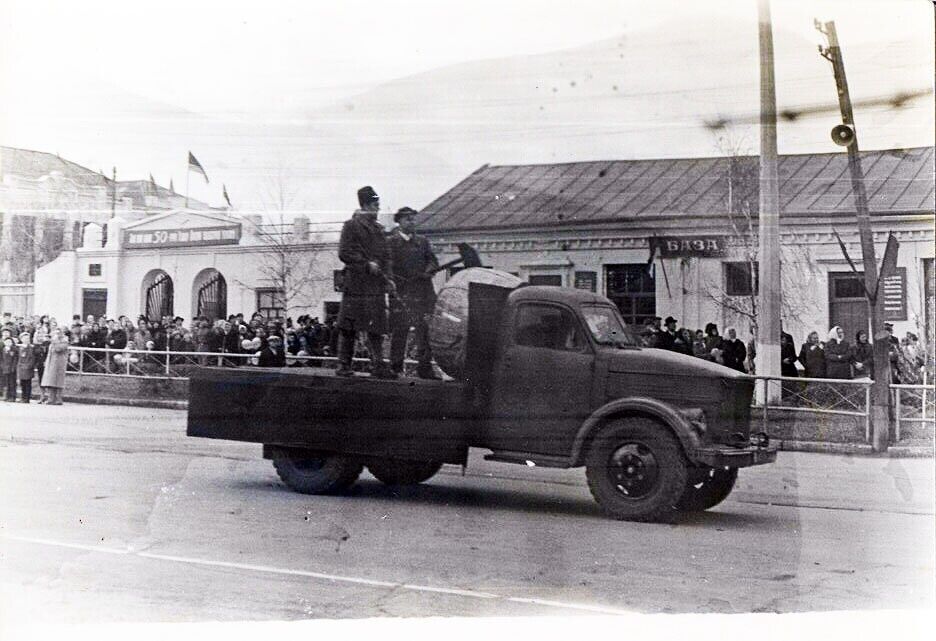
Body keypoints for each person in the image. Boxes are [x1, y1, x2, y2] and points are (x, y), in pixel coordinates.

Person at [335, 185, 397, 379]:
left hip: (376, 286)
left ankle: (378, 365)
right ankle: (344, 365)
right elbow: (344, 253)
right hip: (356, 285)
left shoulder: (379, 230)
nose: (378, 209)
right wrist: (365, 264)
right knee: (349, 327)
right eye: (375, 205)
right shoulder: (351, 226)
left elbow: (387, 257)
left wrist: (389, 279)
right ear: (367, 205)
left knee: (376, 327)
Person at [387, 206, 441, 379]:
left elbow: (433, 261)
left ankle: (424, 367)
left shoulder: (422, 241)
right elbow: (387, 267)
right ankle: (395, 367)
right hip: (402, 293)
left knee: (423, 330)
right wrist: (396, 281)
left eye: (413, 219)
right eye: (408, 219)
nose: (412, 222)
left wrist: (428, 270)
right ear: (399, 221)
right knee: (400, 329)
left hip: (423, 292)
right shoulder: (391, 243)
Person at [41, 328, 70, 405]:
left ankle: (58, 399)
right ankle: (51, 398)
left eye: (59, 333)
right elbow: (49, 352)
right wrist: (47, 361)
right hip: (51, 363)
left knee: (59, 381)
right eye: (56, 333)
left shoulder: (65, 341)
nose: (57, 334)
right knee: (50, 380)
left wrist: (54, 341)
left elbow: (58, 349)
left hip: (60, 363)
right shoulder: (53, 341)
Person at [16, 332, 37, 403]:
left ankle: (27, 398)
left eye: (27, 338)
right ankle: (23, 397)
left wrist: (28, 366)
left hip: (28, 368)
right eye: (24, 338)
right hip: (21, 368)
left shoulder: (31, 348)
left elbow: (32, 359)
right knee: (22, 383)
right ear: (21, 339)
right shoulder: (20, 348)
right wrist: (20, 366)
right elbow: (19, 358)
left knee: (28, 383)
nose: (26, 340)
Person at [1, 336, 18, 401]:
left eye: (9, 342)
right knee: (6, 383)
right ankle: (6, 396)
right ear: (4, 342)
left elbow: (15, 359)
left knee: (12, 383)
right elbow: (1, 359)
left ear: (11, 343)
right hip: (5, 369)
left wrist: (13, 367)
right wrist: (2, 366)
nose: (8, 343)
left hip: (12, 369)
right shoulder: (3, 349)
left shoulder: (14, 350)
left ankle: (13, 396)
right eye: (6, 342)